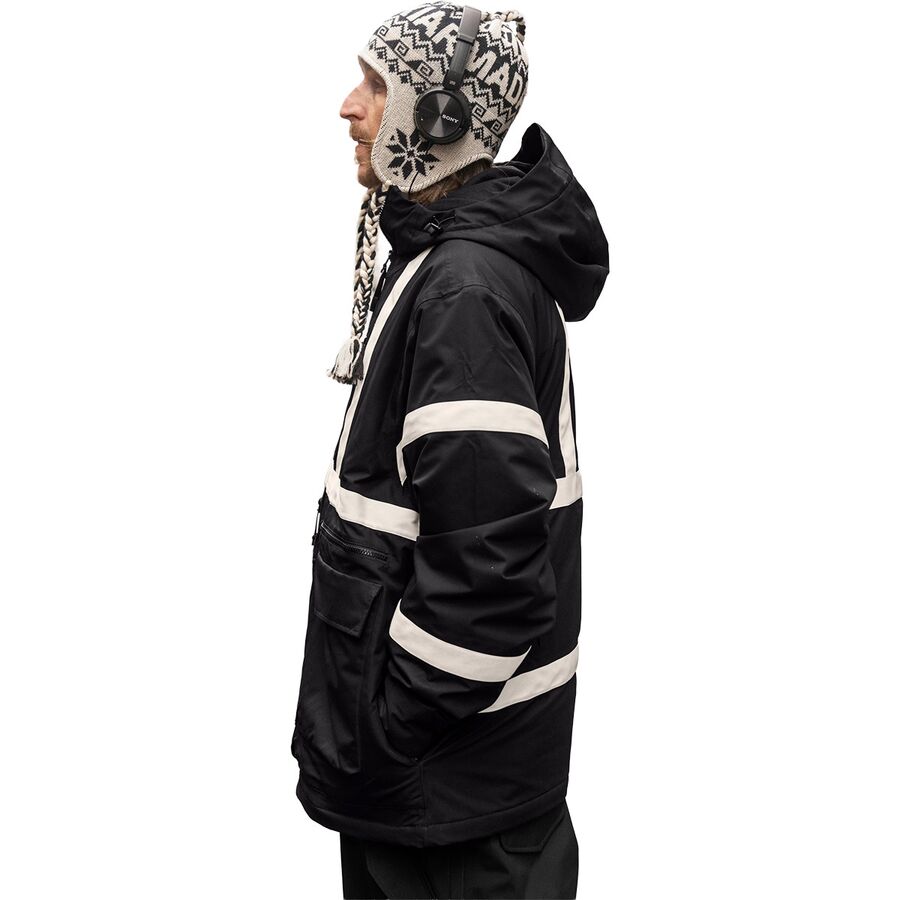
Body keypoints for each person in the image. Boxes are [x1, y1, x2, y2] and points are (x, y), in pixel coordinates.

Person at [291, 4, 609, 897]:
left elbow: (490, 579)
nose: (348, 106)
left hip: (452, 813)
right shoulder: (447, 262)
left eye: (376, 85)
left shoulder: (464, 291)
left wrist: (387, 727)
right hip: (445, 796)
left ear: (438, 119)